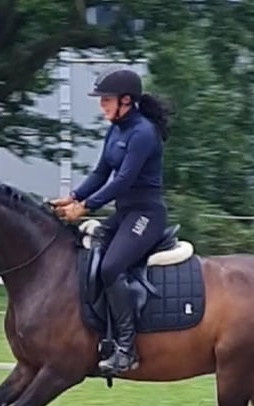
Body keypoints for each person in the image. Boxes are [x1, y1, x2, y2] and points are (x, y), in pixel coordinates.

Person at [51, 66, 172, 376]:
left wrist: (87, 207)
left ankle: (126, 349)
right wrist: (74, 197)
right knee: (86, 255)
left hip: (146, 215)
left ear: (126, 100)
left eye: (106, 99)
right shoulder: (116, 129)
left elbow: (124, 180)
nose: (101, 105)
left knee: (110, 267)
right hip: (124, 214)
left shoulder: (143, 133)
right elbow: (101, 172)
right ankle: (99, 332)